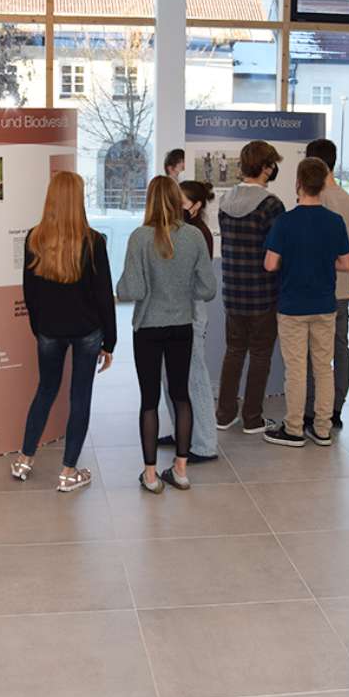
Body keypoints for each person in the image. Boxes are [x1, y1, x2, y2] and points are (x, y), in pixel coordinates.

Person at [13, 172, 117, 492]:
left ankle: (24, 460)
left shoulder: (34, 237)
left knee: (45, 390)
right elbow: (104, 294)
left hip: (48, 331)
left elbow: (29, 291)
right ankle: (68, 471)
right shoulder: (94, 241)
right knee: (80, 397)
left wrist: (38, 328)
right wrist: (110, 341)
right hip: (87, 332)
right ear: (78, 199)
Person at [117, 176, 217, 493]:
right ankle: (181, 470)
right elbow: (207, 289)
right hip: (182, 325)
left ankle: (150, 476)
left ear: (148, 200)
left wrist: (122, 287)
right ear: (177, 200)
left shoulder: (139, 238)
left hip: (148, 327)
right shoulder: (193, 237)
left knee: (149, 400)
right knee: (181, 395)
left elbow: (131, 289)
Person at [262, 158, 349, 447]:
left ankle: (294, 428)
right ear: (324, 183)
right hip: (325, 304)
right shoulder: (334, 221)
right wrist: (323, 262)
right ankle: (323, 429)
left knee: (297, 369)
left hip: (292, 306)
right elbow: (346, 264)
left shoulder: (285, 221)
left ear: (298, 184)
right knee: (323, 367)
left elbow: (270, 264)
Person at [215, 140, 286, 435]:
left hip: (233, 291)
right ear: (267, 168)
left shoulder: (225, 201)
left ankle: (224, 414)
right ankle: (253, 418)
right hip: (263, 294)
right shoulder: (272, 205)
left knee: (233, 351)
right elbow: (279, 254)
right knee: (259, 355)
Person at [158, 180, 219, 462]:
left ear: (195, 206)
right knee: (169, 376)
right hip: (171, 309)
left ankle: (205, 444)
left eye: (181, 203)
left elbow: (200, 281)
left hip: (190, 310)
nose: (175, 208)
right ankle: (182, 431)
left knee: (194, 377)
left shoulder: (199, 233)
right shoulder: (181, 230)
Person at [303, 138, 349, 431]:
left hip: (320, 287)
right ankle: (336, 407)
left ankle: (314, 409)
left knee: (315, 353)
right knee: (340, 348)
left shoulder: (318, 200)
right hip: (344, 288)